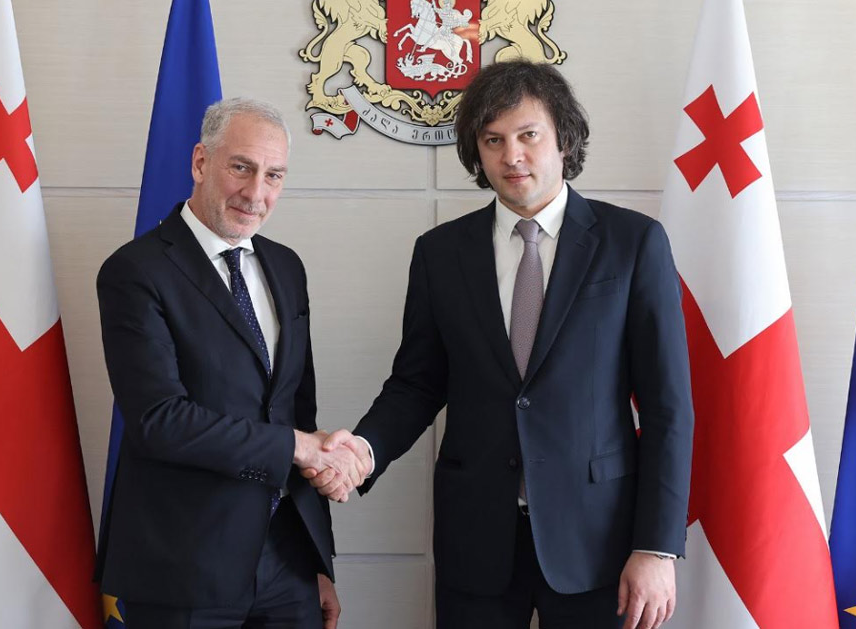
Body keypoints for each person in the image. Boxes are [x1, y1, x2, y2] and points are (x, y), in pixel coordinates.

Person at [307, 61, 695, 629]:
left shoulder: (632, 243)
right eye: (493, 141)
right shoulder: (440, 253)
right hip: (477, 538)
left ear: (563, 138)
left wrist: (657, 547)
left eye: (528, 135)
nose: (512, 156)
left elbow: (667, 407)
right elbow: (417, 384)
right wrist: (362, 451)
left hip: (600, 540)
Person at [95, 97, 368, 629]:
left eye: (274, 175)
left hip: (288, 565)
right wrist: (297, 446)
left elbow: (298, 410)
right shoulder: (135, 272)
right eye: (241, 167)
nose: (256, 193)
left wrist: (317, 561)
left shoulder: (286, 267)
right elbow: (159, 420)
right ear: (201, 162)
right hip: (182, 568)